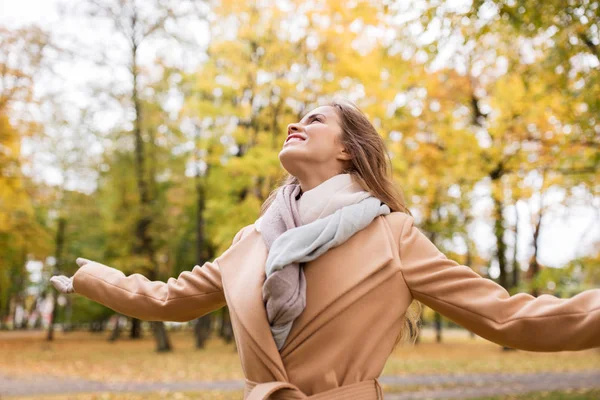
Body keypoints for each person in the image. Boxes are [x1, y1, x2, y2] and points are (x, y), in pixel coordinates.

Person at [51, 98, 600, 400]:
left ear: (345, 151)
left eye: (315, 118)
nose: (296, 122)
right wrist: (93, 280)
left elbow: (507, 316)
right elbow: (171, 299)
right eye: (299, 116)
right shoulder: (253, 241)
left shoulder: (393, 236)